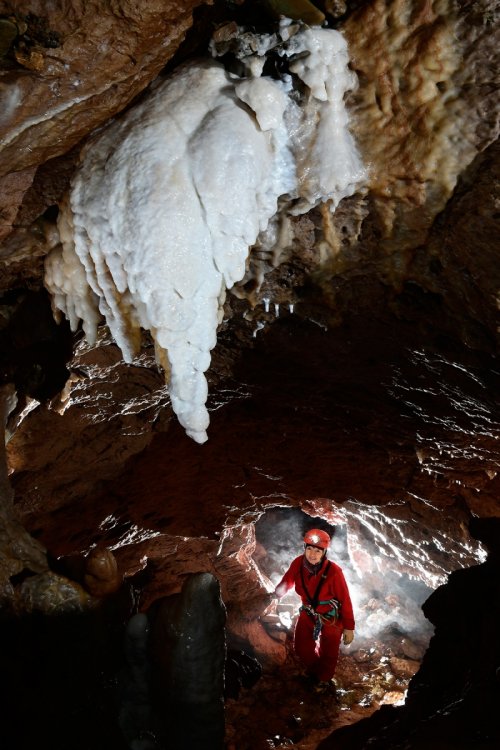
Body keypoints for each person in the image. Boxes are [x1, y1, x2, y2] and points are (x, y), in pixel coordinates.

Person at [272, 528, 355, 692]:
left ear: (324, 552)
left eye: (318, 550)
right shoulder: (298, 563)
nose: (312, 554)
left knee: (329, 652)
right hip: (308, 612)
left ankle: (324, 680)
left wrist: (349, 627)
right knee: (301, 647)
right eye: (309, 548)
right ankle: (316, 670)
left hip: (331, 617)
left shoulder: (334, 571)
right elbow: (287, 581)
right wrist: (275, 594)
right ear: (304, 548)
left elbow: (345, 599)